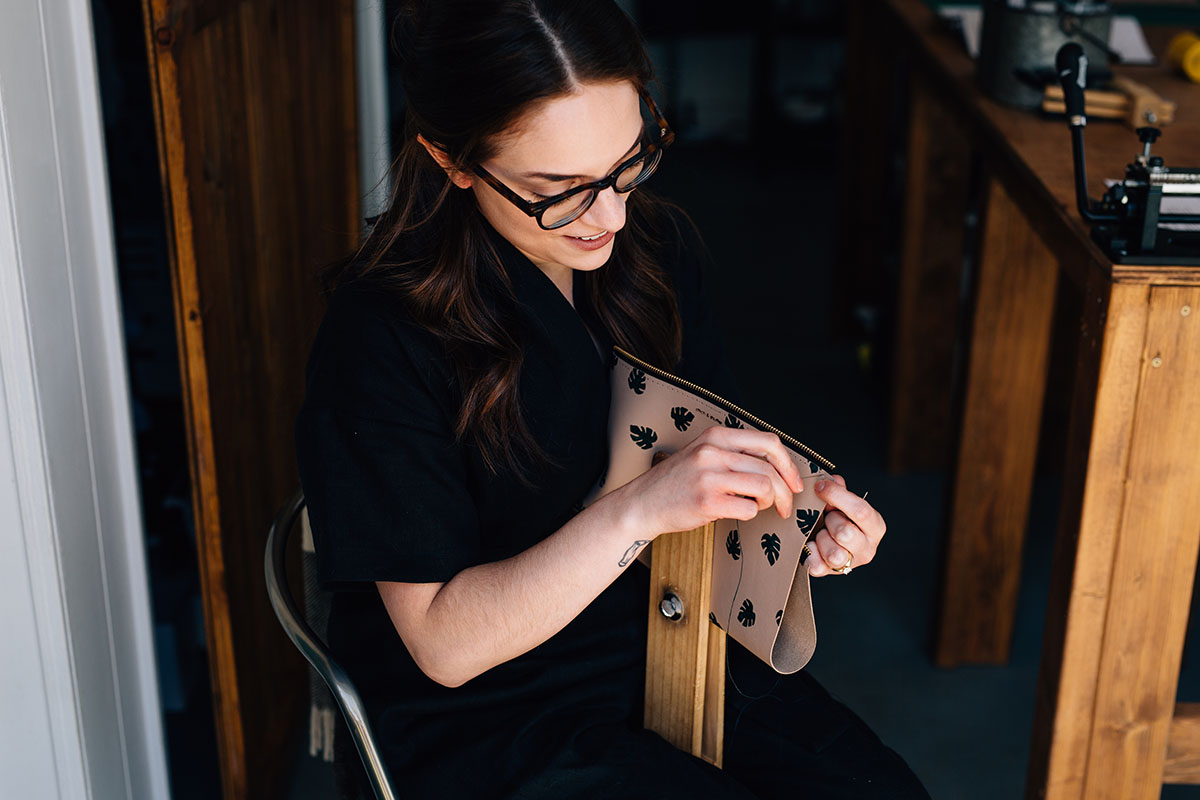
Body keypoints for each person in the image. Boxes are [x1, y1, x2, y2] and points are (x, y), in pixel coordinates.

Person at [295, 1, 929, 797]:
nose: (612, 215)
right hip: (493, 713)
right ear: (452, 160)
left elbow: (706, 455)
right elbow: (444, 647)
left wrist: (794, 512)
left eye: (630, 162)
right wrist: (637, 509)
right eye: (558, 191)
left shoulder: (653, 255)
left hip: (672, 635)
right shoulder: (380, 337)